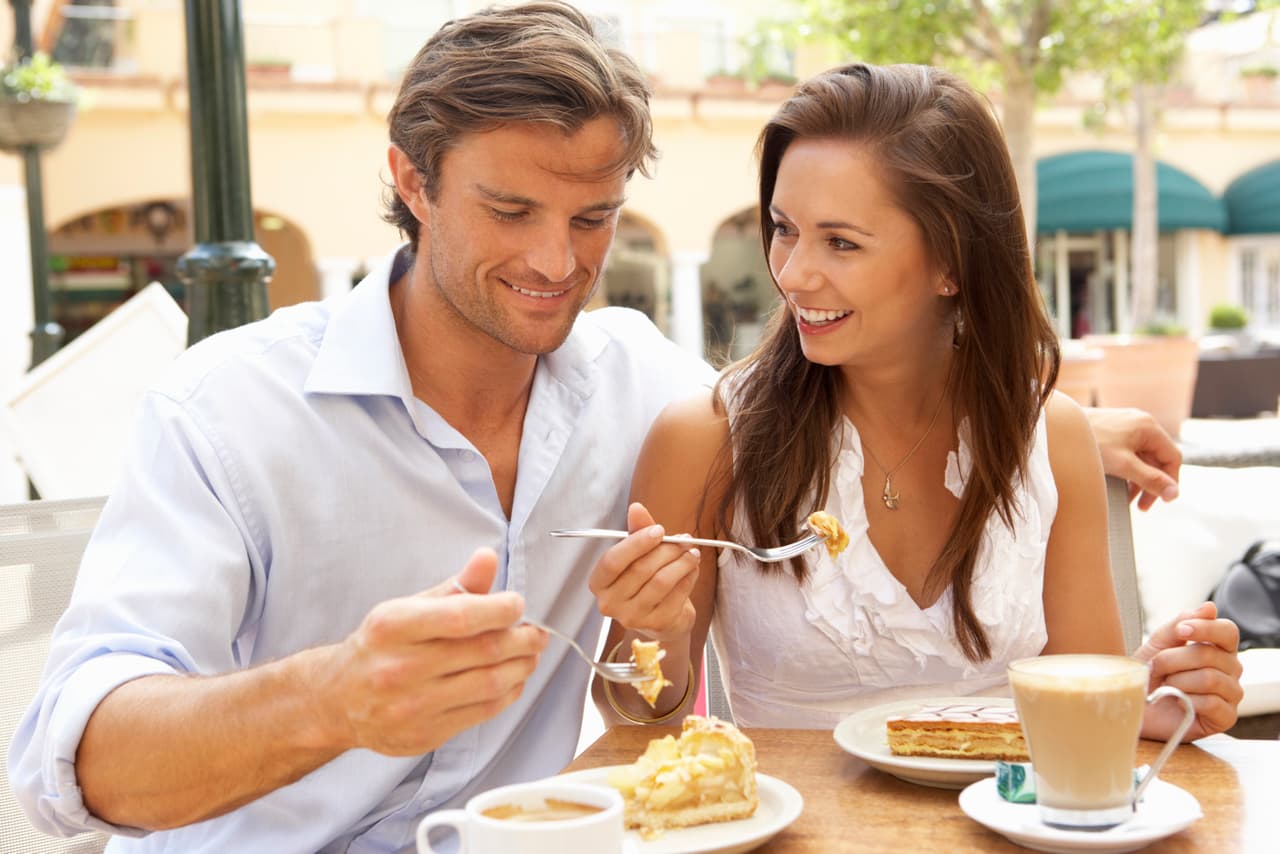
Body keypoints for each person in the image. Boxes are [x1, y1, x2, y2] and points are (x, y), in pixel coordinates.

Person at [7, 5, 1190, 850]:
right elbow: (72, 762)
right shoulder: (227, 408)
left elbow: (827, 387)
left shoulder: (635, 378)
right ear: (409, 179)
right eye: (508, 208)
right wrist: (332, 699)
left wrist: (1068, 420)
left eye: (593, 215)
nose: (554, 261)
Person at [590, 63, 1242, 743]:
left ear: (951, 262)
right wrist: (651, 630)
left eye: (841, 242)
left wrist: (1150, 702)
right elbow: (636, 726)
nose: (793, 272)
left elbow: (1085, 713)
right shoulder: (706, 438)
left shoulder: (1053, 440)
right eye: (785, 228)